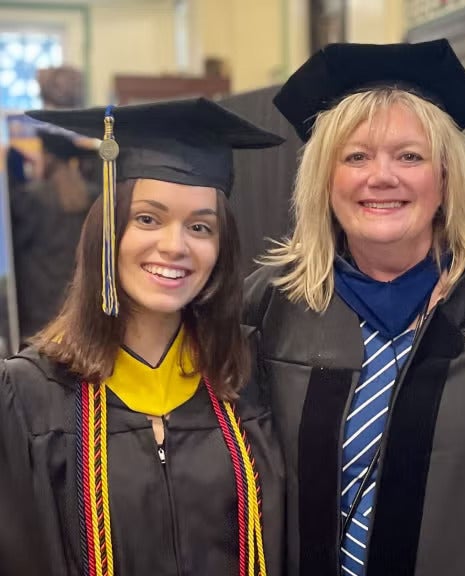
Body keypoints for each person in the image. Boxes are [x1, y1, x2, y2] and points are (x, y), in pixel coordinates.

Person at [243, 40, 465, 576]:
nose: (382, 177)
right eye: (356, 156)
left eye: (409, 156)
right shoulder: (270, 305)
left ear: (445, 177)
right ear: (325, 180)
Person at [0, 97, 286, 575]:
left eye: (200, 226)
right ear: (108, 230)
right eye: (148, 219)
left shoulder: (250, 373)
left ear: (221, 247)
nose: (174, 246)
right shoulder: (30, 396)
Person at [12, 130, 98, 341]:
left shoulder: (33, 198)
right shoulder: (92, 195)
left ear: (48, 158)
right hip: (78, 298)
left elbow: (17, 246)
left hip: (38, 304)